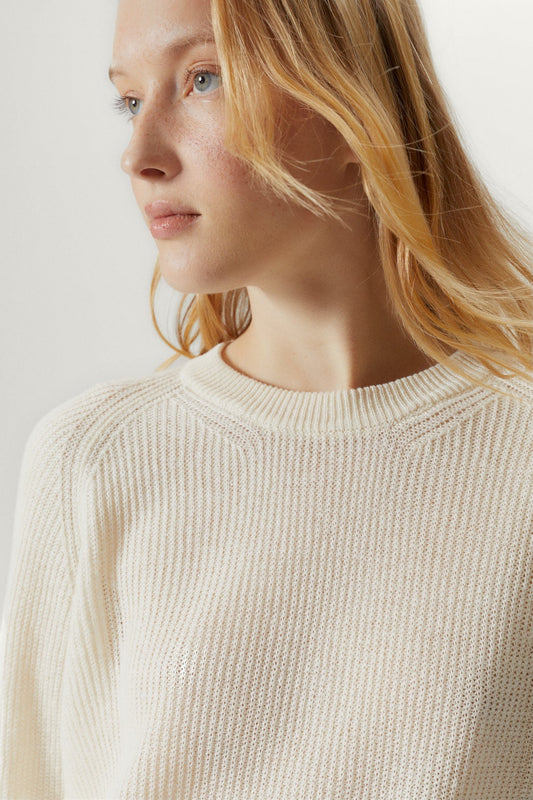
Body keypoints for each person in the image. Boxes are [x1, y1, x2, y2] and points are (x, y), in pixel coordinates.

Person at [1, 0, 532, 796]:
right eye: (129, 100)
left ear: (353, 102)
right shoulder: (95, 460)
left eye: (203, 79)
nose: (139, 154)